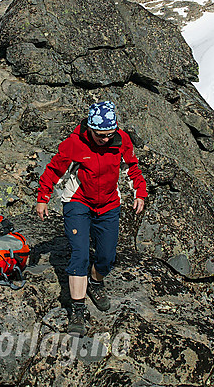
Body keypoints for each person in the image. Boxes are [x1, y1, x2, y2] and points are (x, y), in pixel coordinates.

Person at [36, 101, 147, 336]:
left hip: (108, 203)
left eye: (109, 135)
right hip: (79, 201)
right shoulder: (75, 144)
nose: (105, 139)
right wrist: (43, 197)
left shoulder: (122, 140)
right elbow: (54, 169)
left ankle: (95, 282)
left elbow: (131, 167)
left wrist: (140, 192)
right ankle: (77, 309)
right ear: (90, 128)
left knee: (106, 256)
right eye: (100, 135)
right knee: (80, 253)